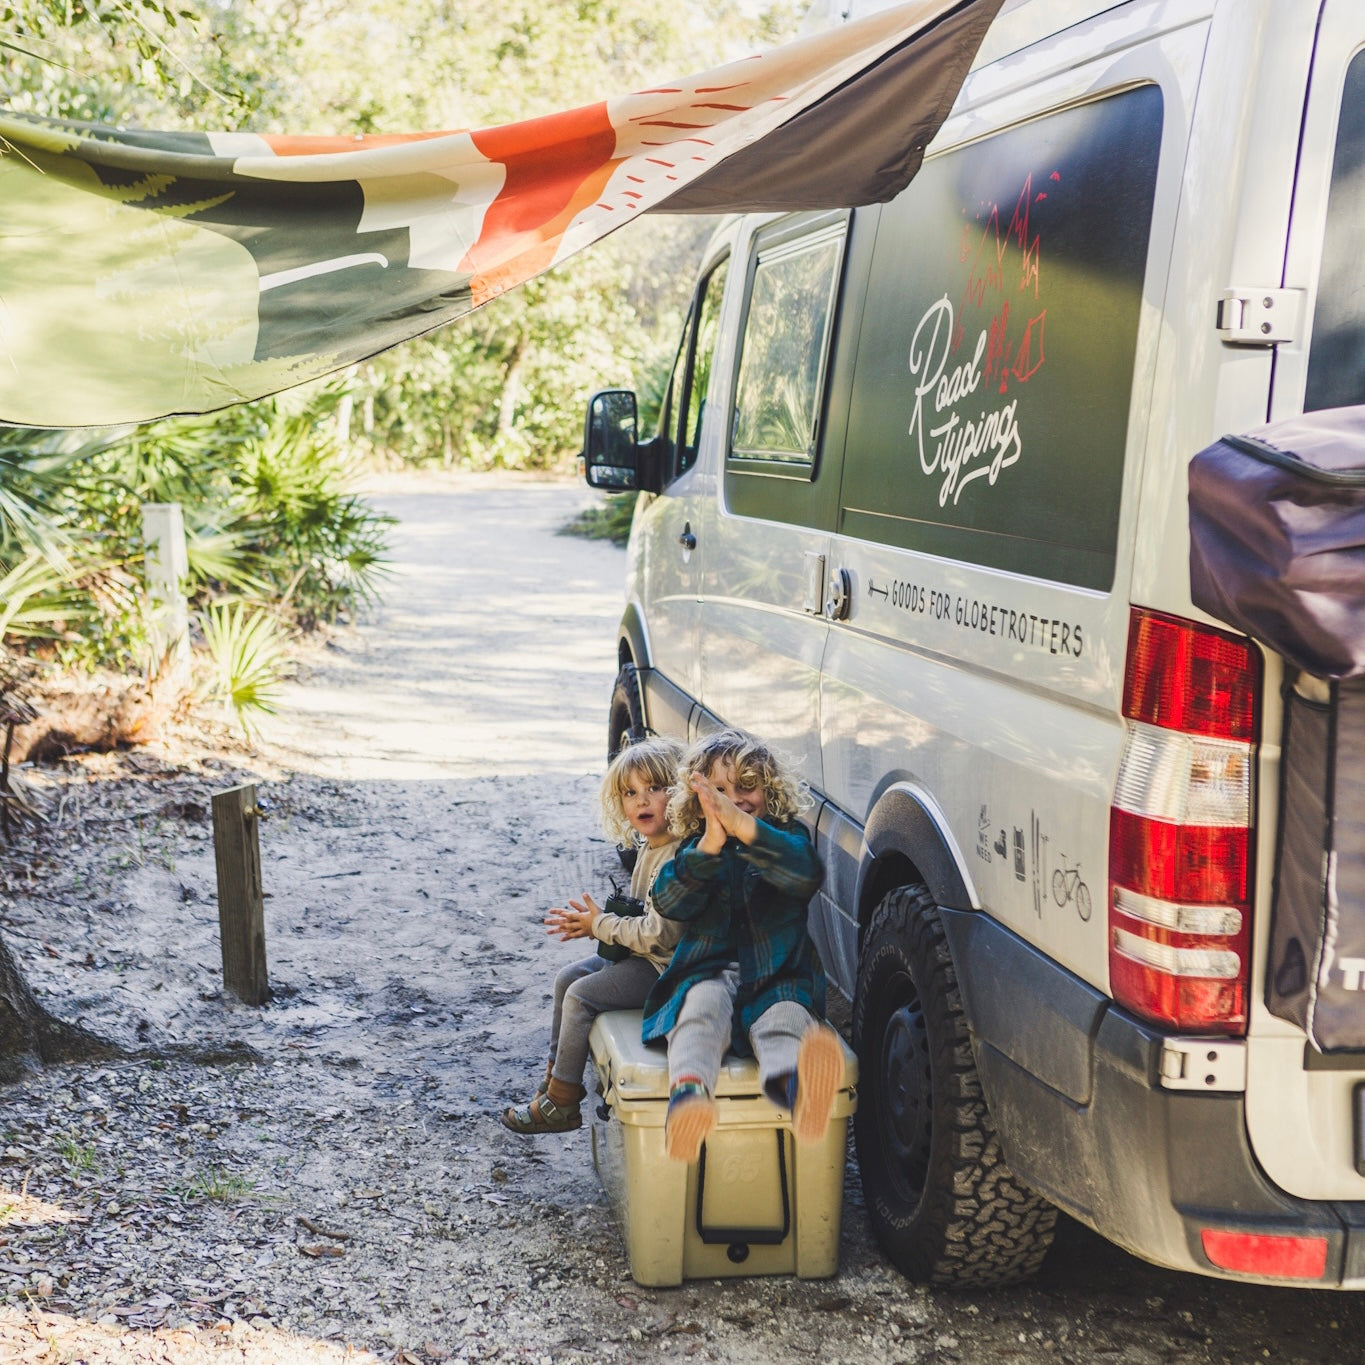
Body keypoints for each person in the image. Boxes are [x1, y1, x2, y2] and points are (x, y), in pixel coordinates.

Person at [641, 729, 844, 1162]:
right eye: (718, 791)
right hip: (708, 972)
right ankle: (689, 1099)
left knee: (785, 1019)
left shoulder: (786, 840)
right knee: (697, 1011)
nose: (733, 798)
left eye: (746, 786)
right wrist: (712, 846)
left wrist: (747, 830)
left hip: (778, 976)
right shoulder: (696, 847)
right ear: (698, 802)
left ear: (770, 791)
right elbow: (670, 901)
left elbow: (804, 874)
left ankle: (799, 1092)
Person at [502, 735, 685, 1135]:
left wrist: (599, 924)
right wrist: (597, 926)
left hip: (668, 970)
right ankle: (553, 1083)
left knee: (581, 996)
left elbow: (660, 937)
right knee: (567, 977)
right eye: (630, 792)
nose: (642, 800)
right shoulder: (653, 845)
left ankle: (563, 1103)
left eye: (655, 788)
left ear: (683, 794)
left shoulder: (676, 858)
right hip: (644, 956)